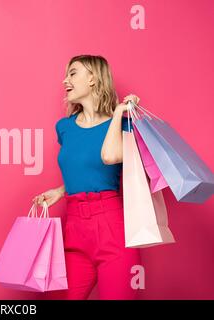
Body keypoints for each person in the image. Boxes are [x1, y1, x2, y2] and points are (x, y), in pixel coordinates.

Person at [33, 55, 141, 300]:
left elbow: (109, 157)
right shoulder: (64, 127)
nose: (64, 81)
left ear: (92, 78)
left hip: (112, 228)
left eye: (72, 73)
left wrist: (118, 114)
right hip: (75, 229)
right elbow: (86, 167)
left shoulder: (124, 124)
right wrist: (62, 190)